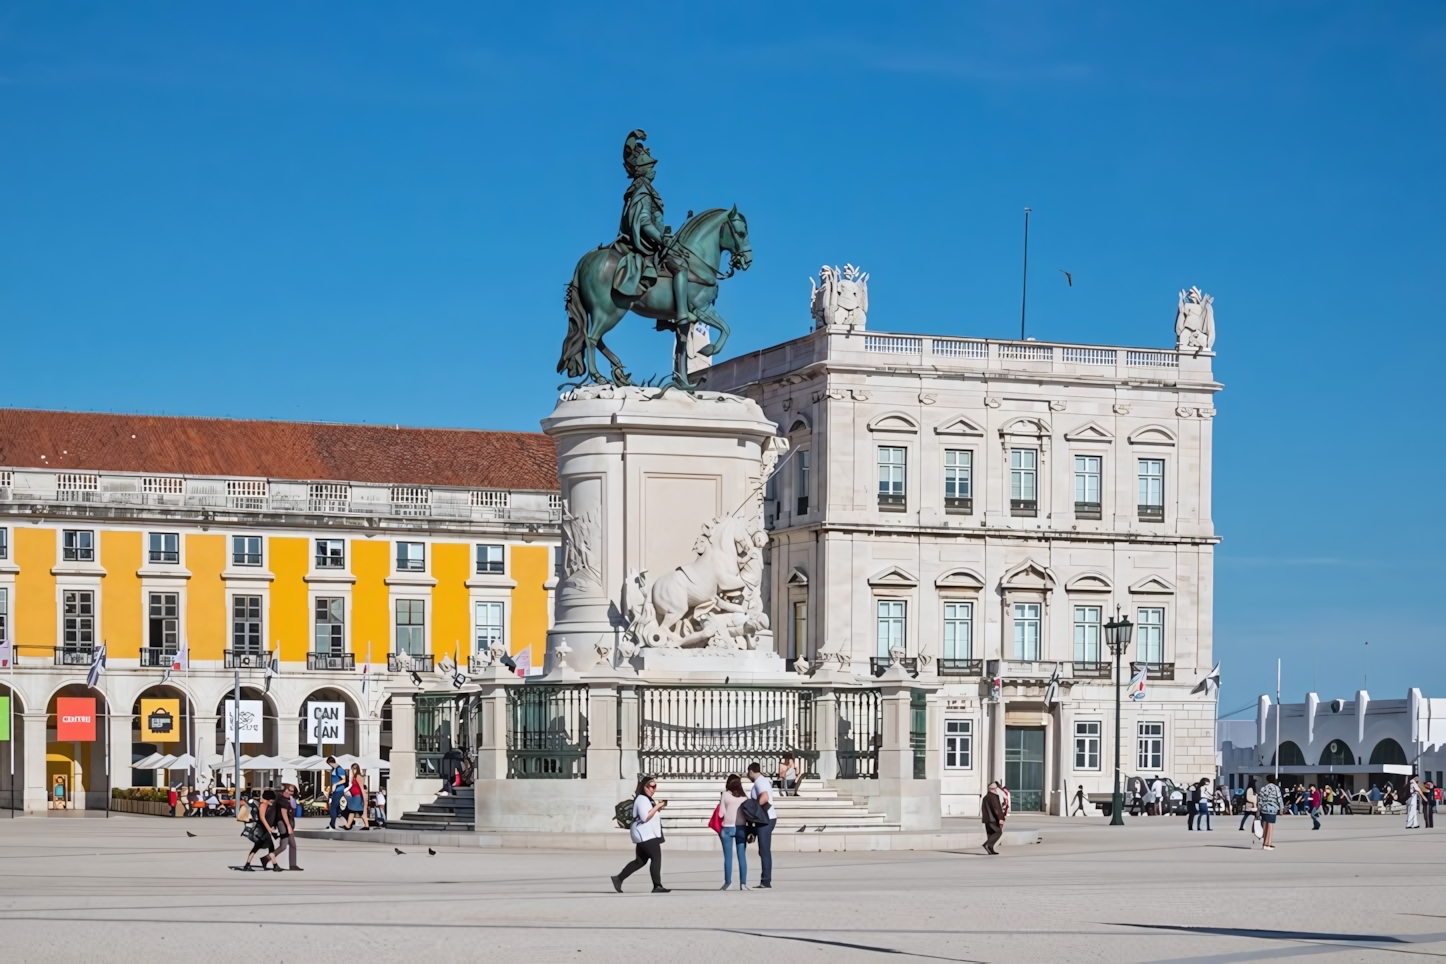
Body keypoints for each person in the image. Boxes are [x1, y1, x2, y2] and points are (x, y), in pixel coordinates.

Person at [611, 776, 668, 893]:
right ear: (644, 787)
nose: (653, 789)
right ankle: (657, 886)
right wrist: (657, 806)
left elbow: (648, 814)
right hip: (645, 834)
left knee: (640, 861)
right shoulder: (642, 799)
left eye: (655, 786)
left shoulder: (646, 799)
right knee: (656, 858)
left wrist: (657, 808)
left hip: (645, 834)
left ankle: (618, 878)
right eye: (651, 786)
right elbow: (645, 817)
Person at [746, 762, 778, 889]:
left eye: (748, 772)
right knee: (763, 850)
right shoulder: (762, 781)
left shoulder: (760, 782)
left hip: (766, 819)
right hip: (766, 818)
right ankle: (765, 879)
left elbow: (764, 797)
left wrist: (755, 810)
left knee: (764, 850)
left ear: (751, 771)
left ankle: (766, 881)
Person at [717, 774, 748, 890]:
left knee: (728, 857)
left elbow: (721, 813)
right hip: (741, 828)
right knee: (742, 856)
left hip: (727, 827)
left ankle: (728, 882)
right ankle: (743, 883)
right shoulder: (744, 797)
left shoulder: (725, 795)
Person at [242, 788, 282, 871]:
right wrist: (268, 828)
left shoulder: (267, 804)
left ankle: (248, 864)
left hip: (264, 830)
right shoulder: (263, 804)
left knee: (262, 847)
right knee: (265, 847)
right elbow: (262, 817)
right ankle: (275, 866)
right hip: (262, 830)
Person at [1257, 773, 1283, 851]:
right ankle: (1268, 843)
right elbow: (1279, 798)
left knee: (1265, 826)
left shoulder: (1263, 788)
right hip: (1272, 809)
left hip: (1264, 809)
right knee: (1270, 826)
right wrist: (1281, 808)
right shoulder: (1276, 788)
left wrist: (1259, 808)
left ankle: (1264, 842)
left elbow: (1260, 799)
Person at [981, 780, 1006, 855]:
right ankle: (987, 844)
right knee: (998, 832)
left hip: (987, 819)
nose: (997, 790)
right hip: (993, 819)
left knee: (990, 834)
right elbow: (996, 809)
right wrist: (1000, 819)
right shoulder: (994, 797)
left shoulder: (985, 797)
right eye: (996, 789)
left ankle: (990, 849)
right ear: (994, 789)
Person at [343, 764, 368, 830]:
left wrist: (364, 797)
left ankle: (348, 825)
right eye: (352, 769)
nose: (353, 770)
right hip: (354, 796)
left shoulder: (358, 776)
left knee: (353, 810)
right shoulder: (354, 776)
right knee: (355, 811)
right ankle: (366, 825)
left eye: (355, 768)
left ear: (357, 769)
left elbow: (361, 788)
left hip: (357, 796)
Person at [326, 756, 346, 830]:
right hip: (335, 790)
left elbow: (344, 780)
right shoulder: (334, 769)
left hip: (339, 790)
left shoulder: (339, 769)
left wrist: (336, 784)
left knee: (333, 807)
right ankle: (332, 823)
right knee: (334, 807)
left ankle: (333, 824)